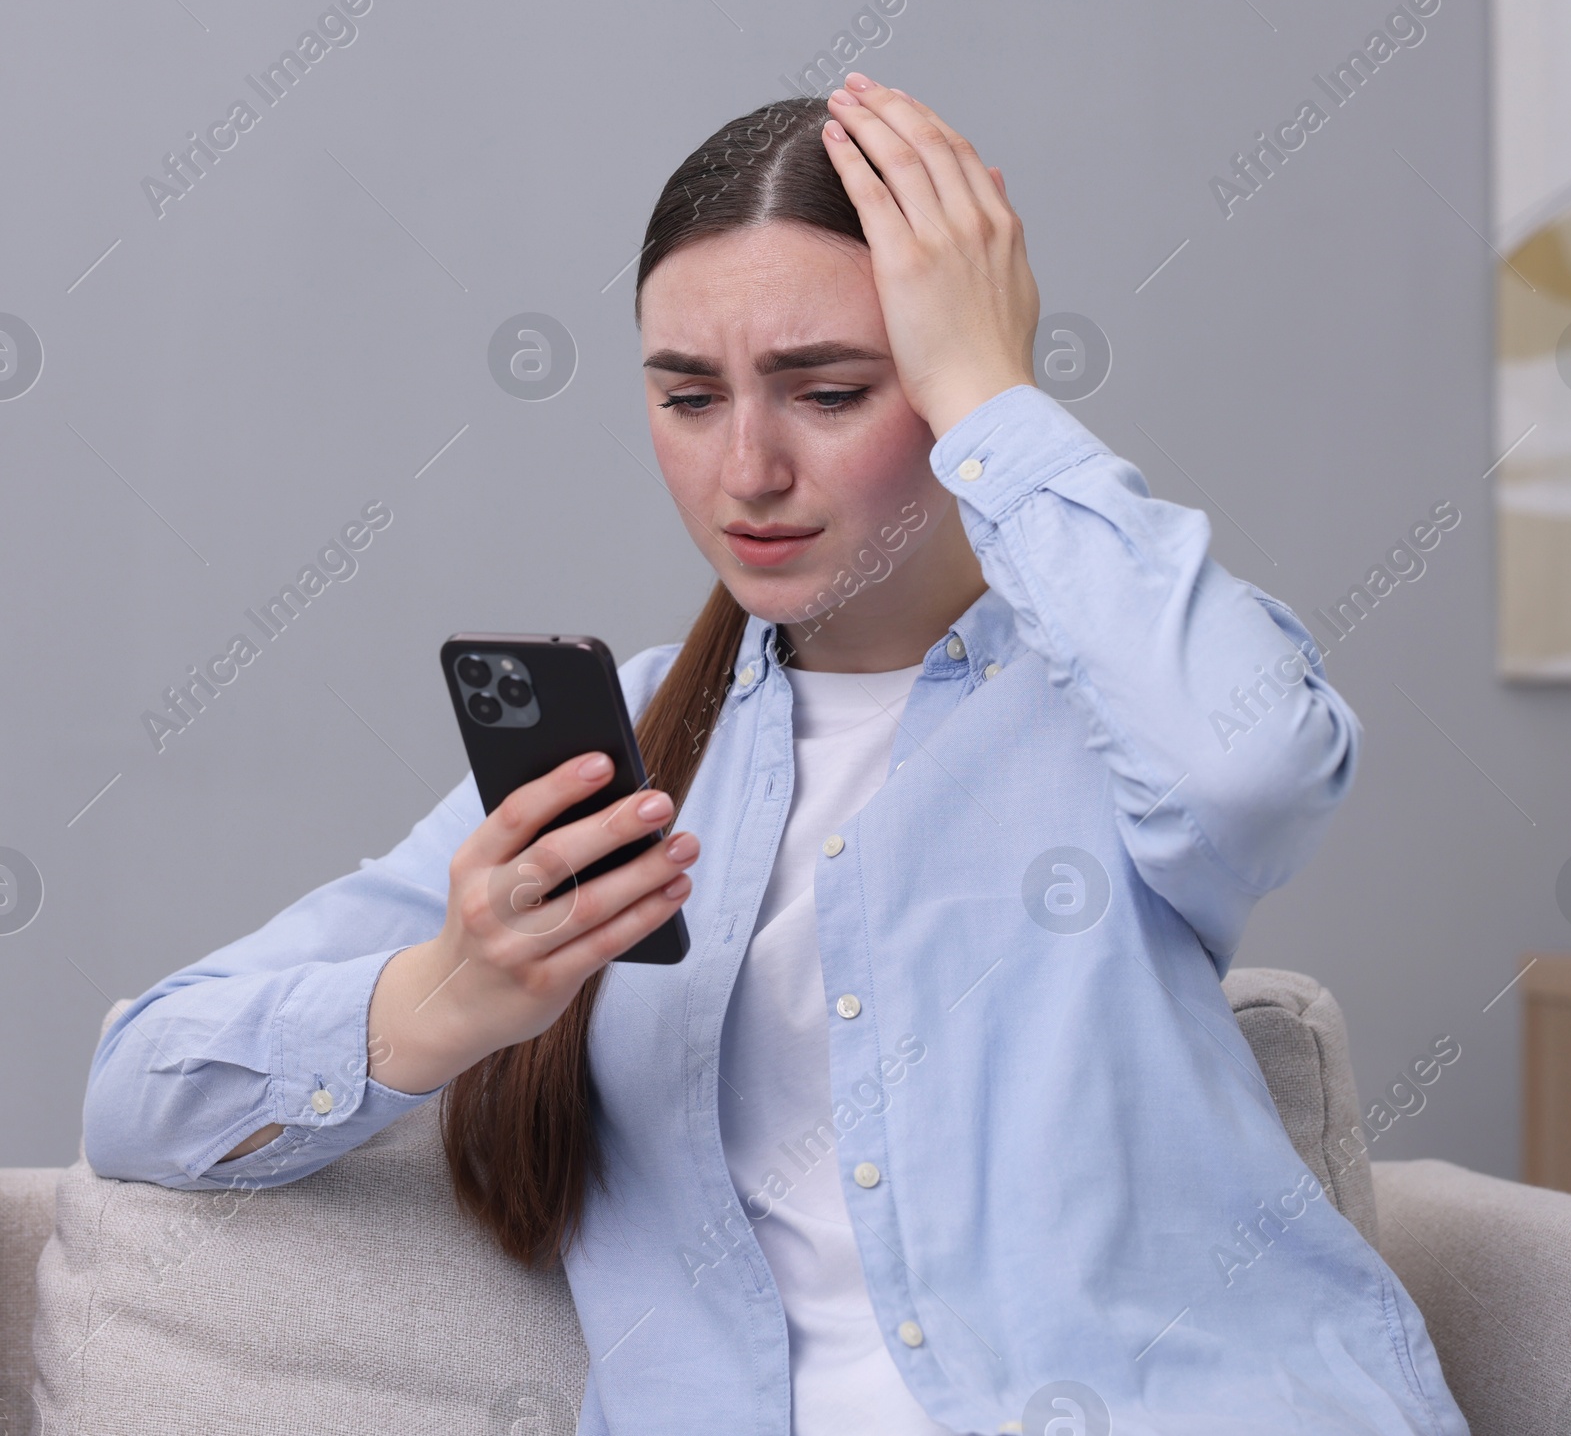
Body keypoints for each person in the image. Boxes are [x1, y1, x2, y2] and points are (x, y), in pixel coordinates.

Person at [84, 75, 1467, 1436]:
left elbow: (1254, 774)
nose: (747, 470)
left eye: (829, 391)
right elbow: (142, 1091)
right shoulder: (623, 749)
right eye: (690, 399)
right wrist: (452, 993)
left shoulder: (1110, 698)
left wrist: (992, 393)